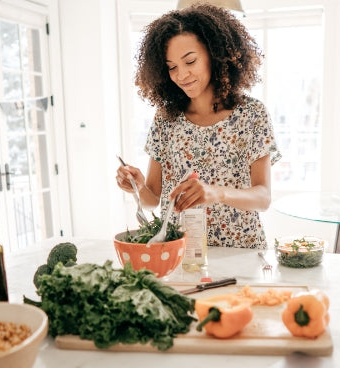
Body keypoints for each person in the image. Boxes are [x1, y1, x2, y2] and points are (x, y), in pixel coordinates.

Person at [116, 3, 281, 249]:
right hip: (180, 253)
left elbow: (263, 198)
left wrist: (217, 192)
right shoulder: (166, 119)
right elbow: (153, 198)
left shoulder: (251, 115)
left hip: (240, 253)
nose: (181, 75)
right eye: (172, 67)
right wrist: (138, 186)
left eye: (190, 61)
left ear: (214, 54)